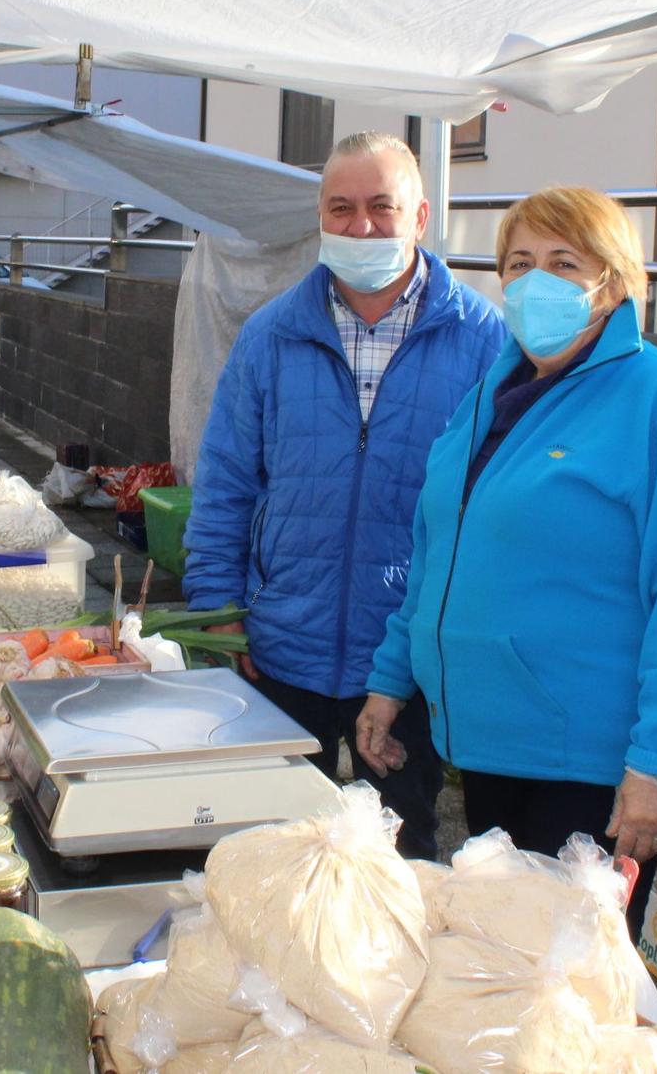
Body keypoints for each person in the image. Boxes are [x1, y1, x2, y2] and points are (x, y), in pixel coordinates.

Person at [356, 187, 657, 919]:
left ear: (616, 282)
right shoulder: (492, 396)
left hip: (589, 769)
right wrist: (389, 681)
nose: (538, 281)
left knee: (562, 986)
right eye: (521, 262)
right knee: (498, 962)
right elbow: (437, 556)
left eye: (566, 262)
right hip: (492, 747)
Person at [182, 131, 505, 859]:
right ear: (321, 217)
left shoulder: (483, 343)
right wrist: (217, 608)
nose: (361, 227)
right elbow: (228, 480)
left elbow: (491, 516)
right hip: (281, 649)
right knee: (270, 856)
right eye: (342, 208)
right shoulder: (271, 338)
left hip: (407, 662)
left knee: (398, 863)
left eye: (381, 208)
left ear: (420, 217)